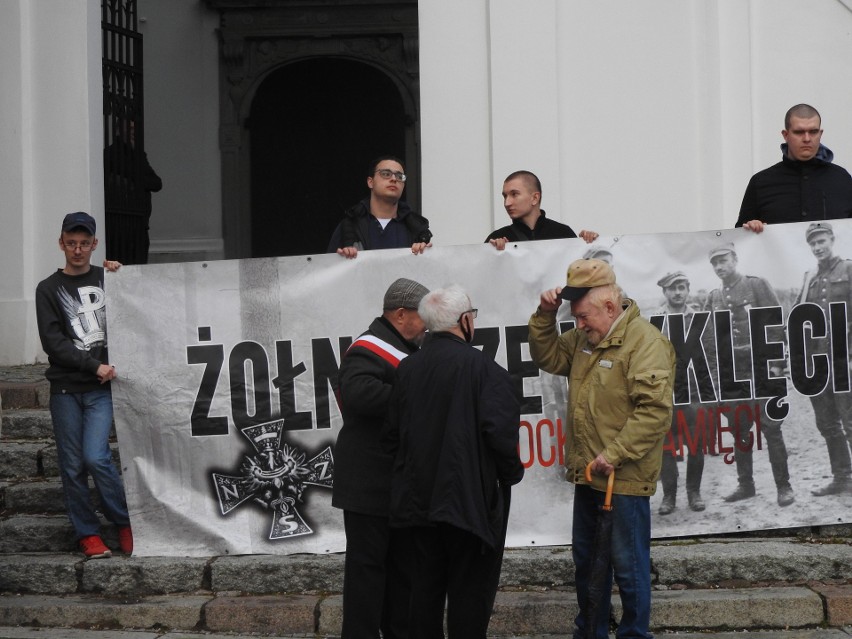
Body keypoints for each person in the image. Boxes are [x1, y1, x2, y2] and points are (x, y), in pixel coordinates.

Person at [528, 258, 675, 639]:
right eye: (574, 317)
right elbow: (547, 356)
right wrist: (544, 316)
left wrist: (613, 454)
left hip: (621, 478)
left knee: (628, 566)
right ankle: (590, 632)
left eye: (583, 316)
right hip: (588, 475)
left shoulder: (646, 343)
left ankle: (633, 634)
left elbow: (654, 413)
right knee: (588, 564)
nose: (578, 325)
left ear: (610, 307)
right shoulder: (584, 340)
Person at [384, 285, 524, 638]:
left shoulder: (407, 369)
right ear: (465, 321)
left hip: (417, 505)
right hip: (468, 506)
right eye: (472, 315)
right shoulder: (487, 370)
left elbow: (392, 435)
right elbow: (501, 437)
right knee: (469, 596)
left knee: (424, 593)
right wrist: (510, 473)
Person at [332, 277, 430, 638]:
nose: (428, 323)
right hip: (368, 483)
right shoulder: (368, 348)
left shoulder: (407, 347)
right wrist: (416, 394)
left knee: (403, 570)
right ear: (401, 314)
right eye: (423, 315)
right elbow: (359, 394)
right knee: (367, 570)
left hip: (397, 483)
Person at [35, 212, 133, 559]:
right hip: (65, 389)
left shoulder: (108, 278)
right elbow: (54, 343)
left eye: (84, 243)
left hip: (99, 391)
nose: (78, 250)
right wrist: (94, 365)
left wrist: (124, 276)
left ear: (94, 244)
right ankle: (87, 533)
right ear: (61, 243)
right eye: (71, 243)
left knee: (96, 457)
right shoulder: (47, 289)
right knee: (72, 464)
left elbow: (136, 308)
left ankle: (123, 521)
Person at [704, 243, 794, 507]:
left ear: (735, 258)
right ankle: (746, 486)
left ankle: (784, 486)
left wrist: (777, 365)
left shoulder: (757, 286)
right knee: (740, 430)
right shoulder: (714, 297)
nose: (720, 266)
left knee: (772, 429)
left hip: (763, 370)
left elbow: (776, 326)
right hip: (733, 375)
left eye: (724, 260)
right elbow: (710, 338)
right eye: (715, 263)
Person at [797, 222, 852, 495]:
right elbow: (798, 320)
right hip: (817, 366)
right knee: (828, 424)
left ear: (832, 239)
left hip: (845, 362)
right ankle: (842, 478)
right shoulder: (809, 278)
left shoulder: (849, 270)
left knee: (851, 421)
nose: (818, 247)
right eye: (813, 243)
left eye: (822, 241)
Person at [737, 104, 852, 233]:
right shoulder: (761, 182)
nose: (807, 139)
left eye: (813, 132)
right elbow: (740, 240)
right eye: (799, 132)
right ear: (785, 135)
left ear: (820, 133)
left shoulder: (842, 179)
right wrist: (750, 227)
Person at [653, 271, 707, 515]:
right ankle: (669, 496)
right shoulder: (655, 321)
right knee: (665, 447)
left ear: (688, 290)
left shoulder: (698, 318)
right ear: (664, 292)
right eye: (672, 288)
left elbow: (711, 352)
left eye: (682, 287)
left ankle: (694, 492)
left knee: (696, 444)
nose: (678, 293)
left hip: (694, 393)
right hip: (664, 395)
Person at [328, 156, 432, 259]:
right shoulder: (349, 226)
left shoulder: (416, 229)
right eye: (386, 174)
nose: (394, 179)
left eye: (400, 176)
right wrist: (342, 258)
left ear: (403, 186)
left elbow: (425, 272)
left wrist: (423, 254)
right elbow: (329, 270)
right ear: (370, 182)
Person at [485, 170, 598, 250]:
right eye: (505, 196)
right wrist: (493, 255)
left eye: (514, 194)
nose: (507, 203)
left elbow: (583, 277)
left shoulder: (562, 233)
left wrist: (590, 244)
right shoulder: (497, 238)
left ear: (535, 198)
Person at [104, 119, 163, 264]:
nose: (133, 131)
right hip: (119, 223)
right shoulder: (111, 154)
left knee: (139, 264)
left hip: (139, 221)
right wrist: (139, 178)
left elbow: (157, 183)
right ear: (118, 130)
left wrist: (135, 179)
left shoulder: (138, 154)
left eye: (133, 128)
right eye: (129, 128)